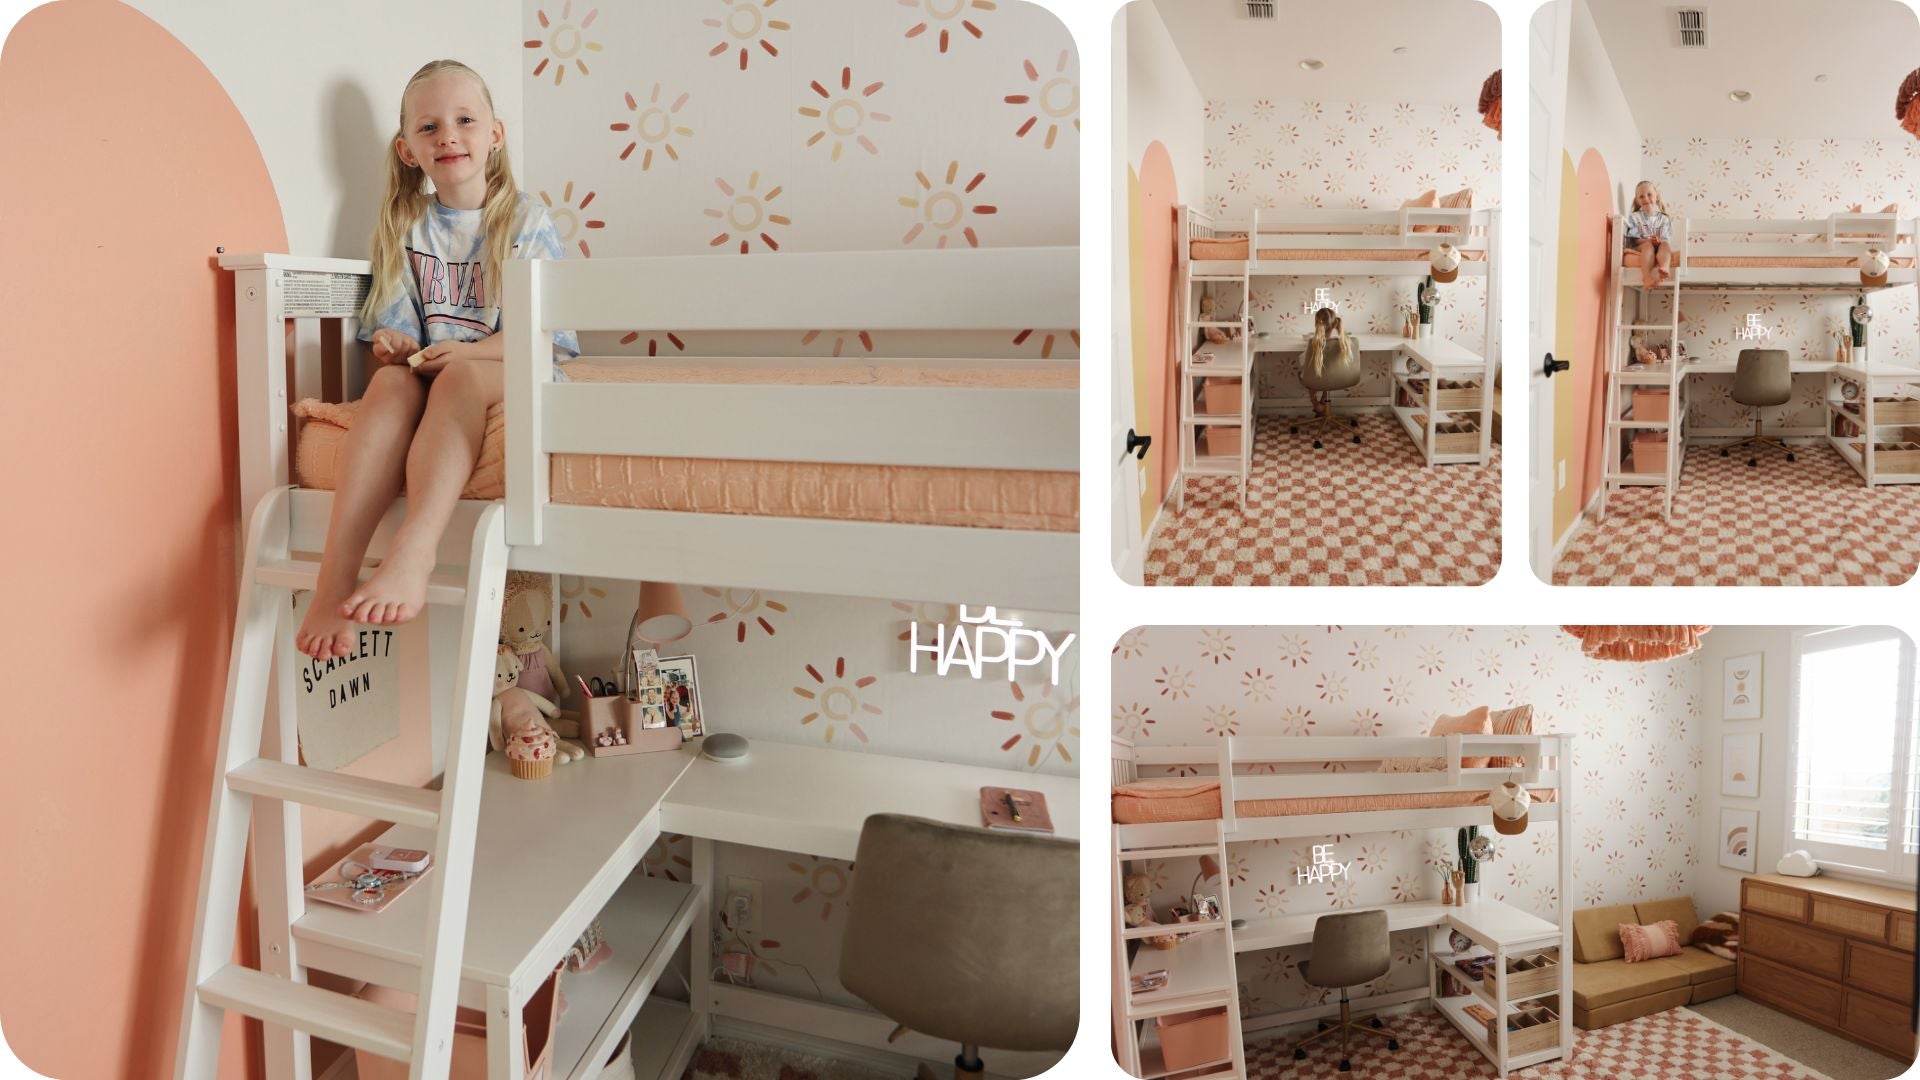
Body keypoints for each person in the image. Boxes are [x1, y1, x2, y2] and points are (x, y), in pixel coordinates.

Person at [295, 60, 578, 660]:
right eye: (429, 127)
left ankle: (414, 550)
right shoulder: (406, 223)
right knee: (390, 389)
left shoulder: (526, 219)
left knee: (463, 377)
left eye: (465, 120)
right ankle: (333, 579)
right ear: (407, 150)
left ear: (494, 134)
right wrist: (395, 345)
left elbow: (546, 336)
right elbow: (395, 324)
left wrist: (471, 351)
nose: (448, 135)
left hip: (506, 365)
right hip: (435, 366)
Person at [1625, 180, 1674, 289]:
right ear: (1637, 201)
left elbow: (1665, 239)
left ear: (1656, 197)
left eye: (1649, 194)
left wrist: (1658, 242)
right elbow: (1634, 239)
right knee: (1648, 246)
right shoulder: (1634, 217)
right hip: (1642, 246)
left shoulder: (1664, 219)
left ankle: (1664, 267)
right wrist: (1648, 241)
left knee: (1666, 245)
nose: (1646, 199)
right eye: (1641, 197)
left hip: (1659, 245)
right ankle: (1646, 277)